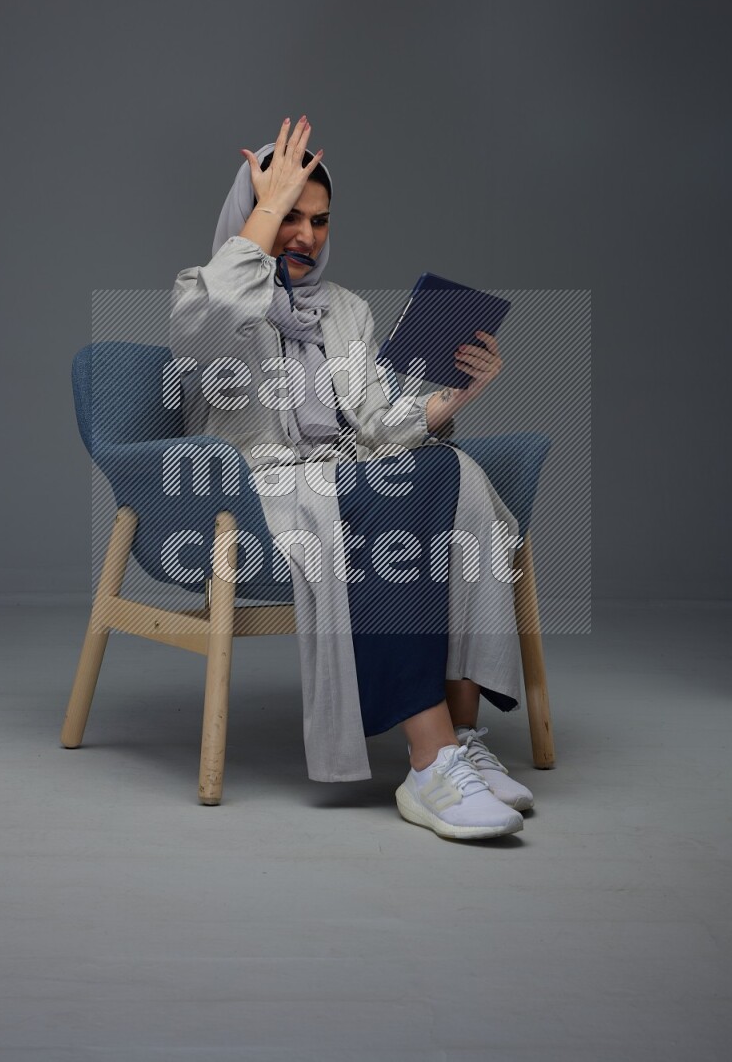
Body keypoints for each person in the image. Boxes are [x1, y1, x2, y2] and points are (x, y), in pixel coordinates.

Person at [170, 115, 534, 841]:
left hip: (347, 478)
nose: (305, 234)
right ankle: (430, 763)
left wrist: (452, 398)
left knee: (452, 471)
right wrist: (268, 207)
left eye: (318, 219)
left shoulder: (347, 311)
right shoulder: (205, 294)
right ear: (248, 214)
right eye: (287, 214)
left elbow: (372, 422)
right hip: (257, 496)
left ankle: (461, 739)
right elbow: (210, 321)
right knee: (390, 498)